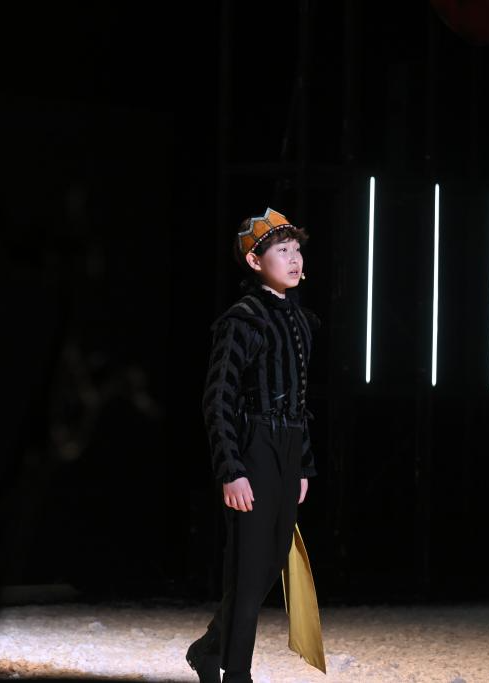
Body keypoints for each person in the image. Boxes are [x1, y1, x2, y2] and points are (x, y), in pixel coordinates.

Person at [187, 208, 319, 683]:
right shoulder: (242, 320)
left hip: (287, 446)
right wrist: (232, 469)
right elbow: (217, 398)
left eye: (296, 249)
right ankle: (236, 673)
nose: (294, 258)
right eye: (282, 251)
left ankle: (207, 649)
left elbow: (300, 397)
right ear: (254, 261)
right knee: (247, 568)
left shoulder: (300, 321)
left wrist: (302, 463)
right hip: (254, 445)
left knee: (271, 560)